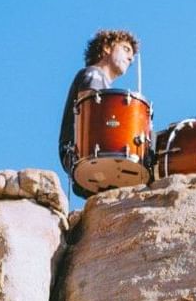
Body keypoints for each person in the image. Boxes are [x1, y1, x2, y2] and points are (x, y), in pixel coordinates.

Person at [57, 28, 138, 199]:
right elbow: (91, 117)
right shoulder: (93, 74)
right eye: (126, 49)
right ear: (107, 48)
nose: (131, 59)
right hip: (81, 152)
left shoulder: (105, 87)